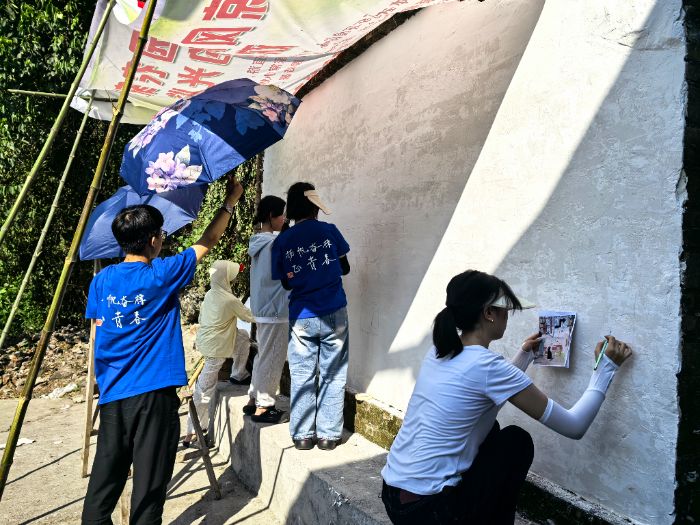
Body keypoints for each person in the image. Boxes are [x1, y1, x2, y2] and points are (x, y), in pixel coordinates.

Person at [381, 270, 632, 525]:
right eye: (506, 310)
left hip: (395, 497)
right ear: (489, 313)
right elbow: (574, 426)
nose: (507, 317)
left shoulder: (440, 351)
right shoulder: (487, 366)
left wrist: (525, 355)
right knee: (515, 443)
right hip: (428, 511)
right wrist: (606, 369)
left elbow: (482, 392)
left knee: (491, 431)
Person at [82, 176, 244, 525]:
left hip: (113, 398)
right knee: (148, 493)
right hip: (154, 396)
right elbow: (208, 240)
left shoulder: (101, 281)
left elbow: (98, 328)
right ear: (154, 240)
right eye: (162, 235)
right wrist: (230, 201)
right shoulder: (162, 273)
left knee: (100, 494)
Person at [270, 182, 350, 451]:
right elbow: (345, 268)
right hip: (334, 310)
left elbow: (286, 283)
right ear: (315, 205)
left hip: (301, 315)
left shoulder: (282, 241)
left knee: (302, 373)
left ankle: (303, 435)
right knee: (333, 373)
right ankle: (328, 435)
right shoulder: (329, 231)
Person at [183, 259, 254, 447]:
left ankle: (239, 374)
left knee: (242, 337)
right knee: (204, 390)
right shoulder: (229, 300)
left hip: (207, 342)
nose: (233, 279)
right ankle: (193, 430)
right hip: (216, 348)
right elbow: (249, 316)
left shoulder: (210, 294)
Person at [244, 195, 289, 424]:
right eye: (282, 214)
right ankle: (264, 406)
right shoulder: (276, 243)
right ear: (272, 216)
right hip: (276, 307)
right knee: (273, 357)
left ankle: (254, 398)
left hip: (263, 306)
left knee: (264, 354)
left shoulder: (258, 241)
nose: (285, 219)